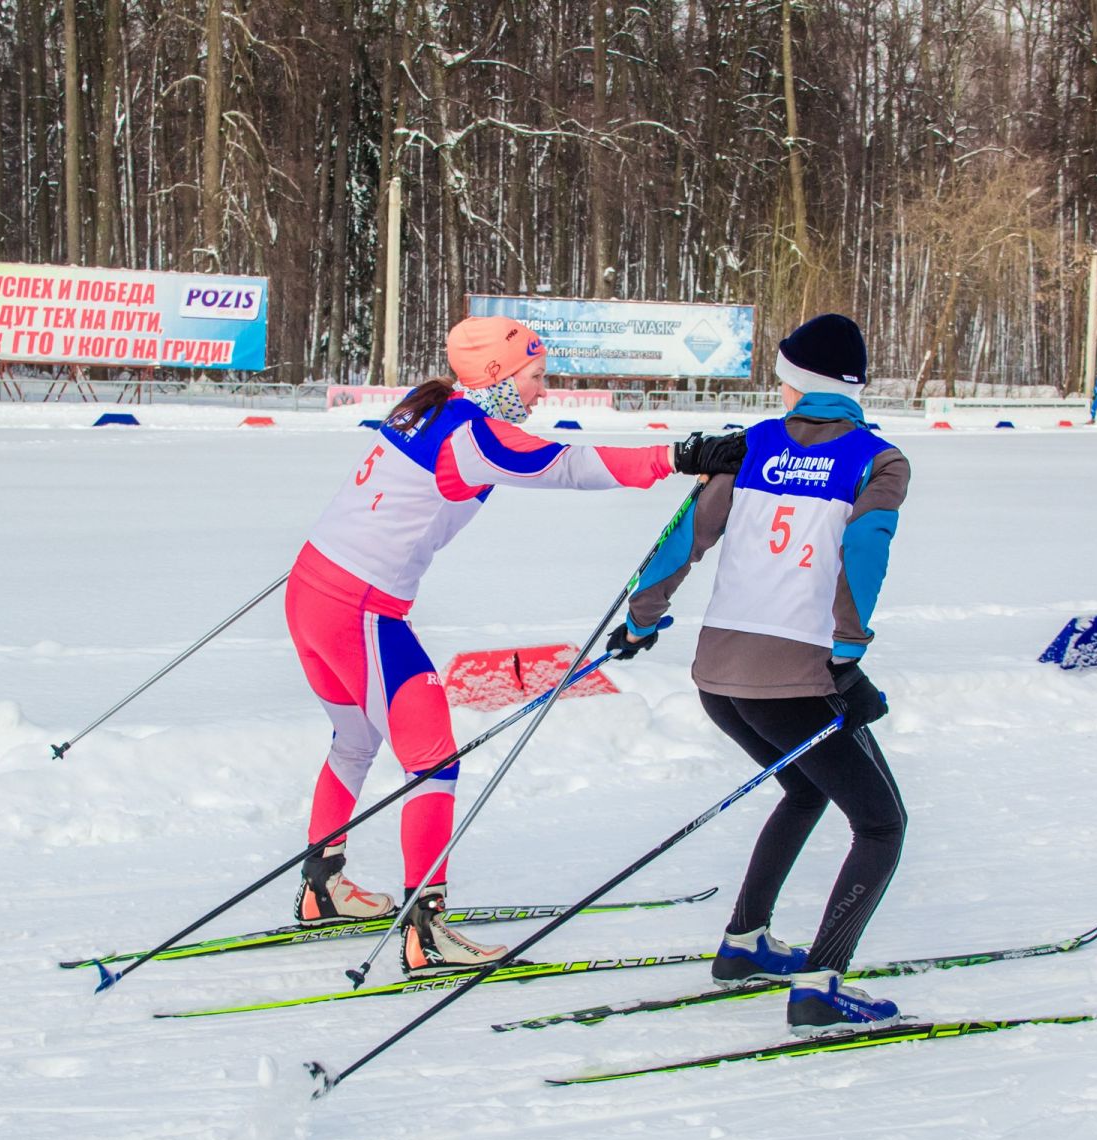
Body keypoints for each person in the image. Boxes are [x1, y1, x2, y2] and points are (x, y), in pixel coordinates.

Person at [286, 315, 747, 975]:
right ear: (499, 374)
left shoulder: (433, 409)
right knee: (434, 759)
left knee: (355, 742)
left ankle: (321, 887)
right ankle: (425, 929)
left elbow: (388, 494)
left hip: (312, 590)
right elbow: (567, 466)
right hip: (360, 610)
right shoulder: (473, 435)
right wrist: (680, 456)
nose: (542, 391)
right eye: (535, 377)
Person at [607, 313, 910, 1034]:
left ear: (800, 385)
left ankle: (745, 943)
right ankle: (821, 983)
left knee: (804, 790)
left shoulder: (750, 447)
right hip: (796, 680)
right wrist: (848, 650)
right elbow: (865, 548)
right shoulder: (879, 458)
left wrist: (643, 618)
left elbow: (687, 535)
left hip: (719, 677)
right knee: (881, 823)